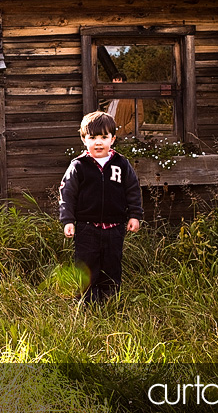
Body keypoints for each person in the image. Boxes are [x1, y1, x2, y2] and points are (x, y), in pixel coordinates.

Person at [59, 111, 143, 304]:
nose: (98, 142)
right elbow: (67, 194)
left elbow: (132, 190)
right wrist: (68, 220)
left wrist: (134, 215)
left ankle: (110, 301)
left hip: (114, 228)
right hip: (87, 227)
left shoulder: (121, 164)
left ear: (112, 139)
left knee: (112, 264)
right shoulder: (79, 166)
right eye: (93, 137)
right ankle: (87, 303)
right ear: (83, 139)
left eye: (104, 137)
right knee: (87, 266)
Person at [106, 73, 144, 138]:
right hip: (108, 134)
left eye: (118, 82)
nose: (116, 86)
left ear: (124, 83)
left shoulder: (132, 98)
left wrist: (126, 130)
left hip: (123, 136)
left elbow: (139, 117)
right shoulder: (111, 99)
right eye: (114, 83)